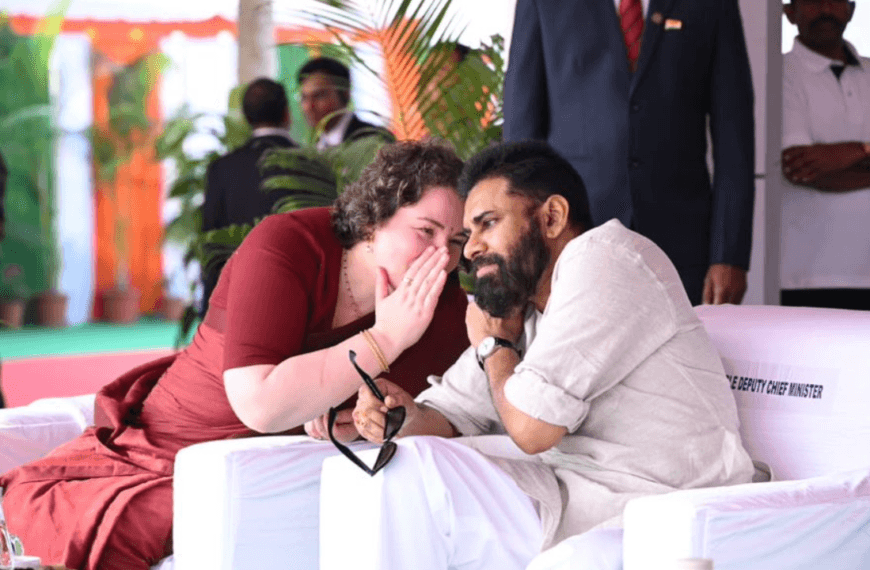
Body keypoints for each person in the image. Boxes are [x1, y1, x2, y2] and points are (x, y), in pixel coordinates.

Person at [0, 140, 471, 570]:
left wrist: (389, 417)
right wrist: (386, 340)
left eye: (455, 242)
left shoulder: (445, 307)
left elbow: (465, 415)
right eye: (425, 231)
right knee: (131, 519)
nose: (442, 257)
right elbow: (260, 403)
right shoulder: (289, 243)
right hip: (174, 438)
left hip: (275, 470)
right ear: (374, 217)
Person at [338, 141, 755, 569]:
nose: (469, 250)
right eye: (470, 234)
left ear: (552, 217)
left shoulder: (607, 259)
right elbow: (450, 414)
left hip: (664, 511)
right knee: (390, 473)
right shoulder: (524, 305)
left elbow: (534, 429)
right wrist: (399, 414)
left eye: (487, 224)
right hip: (569, 502)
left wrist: (494, 346)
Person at [503, 0, 756, 306]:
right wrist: (523, 256)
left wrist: (729, 255)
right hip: (573, 242)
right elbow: (522, 136)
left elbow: (735, 138)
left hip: (682, 247)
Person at [780, 0, 870, 310]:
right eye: (813, 2)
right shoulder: (777, 73)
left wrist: (847, 154)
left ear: (852, 10)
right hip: (804, 273)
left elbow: (825, 167)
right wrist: (864, 149)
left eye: (834, 1)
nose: (826, 10)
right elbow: (802, 168)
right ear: (789, 12)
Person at [200, 77, 302, 316]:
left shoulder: (223, 168)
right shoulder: (312, 163)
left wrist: (209, 308)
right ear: (287, 113)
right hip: (298, 294)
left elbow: (212, 241)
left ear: (246, 118)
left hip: (239, 295)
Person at [297, 57, 395, 149]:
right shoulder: (314, 148)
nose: (309, 107)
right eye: (304, 98)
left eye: (319, 96)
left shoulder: (376, 140)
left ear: (345, 94)